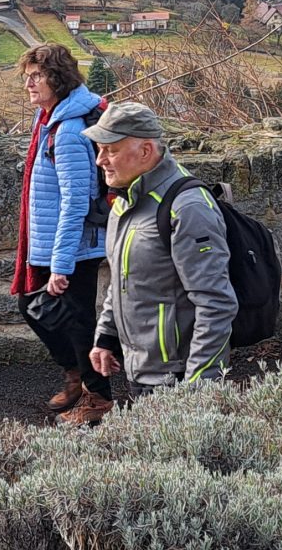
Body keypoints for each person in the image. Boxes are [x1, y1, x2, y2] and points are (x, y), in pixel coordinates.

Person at [86, 102, 236, 405]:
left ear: (145, 151)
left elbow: (216, 303)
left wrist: (198, 388)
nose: (100, 160)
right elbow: (122, 278)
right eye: (99, 150)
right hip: (142, 372)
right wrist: (106, 337)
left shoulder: (188, 208)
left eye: (111, 150)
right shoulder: (126, 199)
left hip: (177, 380)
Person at [10, 44, 115, 426]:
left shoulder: (68, 131)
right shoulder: (50, 118)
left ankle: (98, 398)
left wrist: (61, 264)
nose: (28, 84)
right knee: (35, 307)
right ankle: (75, 377)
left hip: (74, 246)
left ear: (57, 79)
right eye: (27, 77)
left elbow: (75, 202)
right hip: (57, 241)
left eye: (36, 76)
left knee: (77, 322)